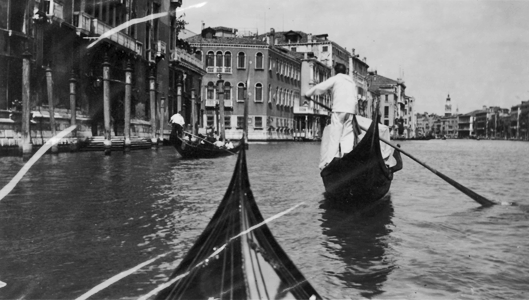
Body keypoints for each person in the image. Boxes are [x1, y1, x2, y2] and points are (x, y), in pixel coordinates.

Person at [304, 63, 357, 170]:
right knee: (347, 135)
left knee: (335, 136)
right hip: (351, 111)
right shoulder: (352, 82)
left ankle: (331, 161)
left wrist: (308, 94)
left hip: (338, 110)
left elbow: (321, 87)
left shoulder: (336, 78)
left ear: (335, 71)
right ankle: (347, 157)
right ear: (346, 72)